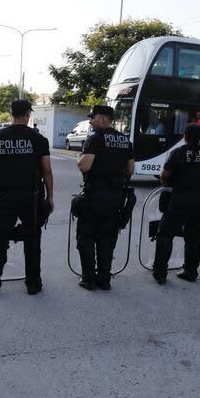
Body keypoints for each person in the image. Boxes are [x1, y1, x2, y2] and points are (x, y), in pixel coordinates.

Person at [0, 99, 54, 296]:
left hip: (7, 197)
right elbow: (47, 171)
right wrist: (50, 197)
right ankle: (33, 284)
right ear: (28, 115)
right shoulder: (39, 139)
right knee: (33, 239)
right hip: (32, 197)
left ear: (11, 114)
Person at [152, 123, 200, 284]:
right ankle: (191, 271)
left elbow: (164, 175)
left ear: (185, 136)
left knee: (165, 234)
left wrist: (167, 187)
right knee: (194, 235)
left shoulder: (177, 153)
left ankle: (160, 272)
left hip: (179, 199)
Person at [76, 105, 134, 291]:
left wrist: (80, 157)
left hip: (95, 197)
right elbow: (130, 170)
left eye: (93, 118)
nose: (91, 122)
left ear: (103, 119)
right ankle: (104, 279)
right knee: (107, 238)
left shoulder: (95, 139)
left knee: (86, 237)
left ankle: (89, 279)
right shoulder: (126, 141)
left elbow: (85, 166)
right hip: (116, 198)